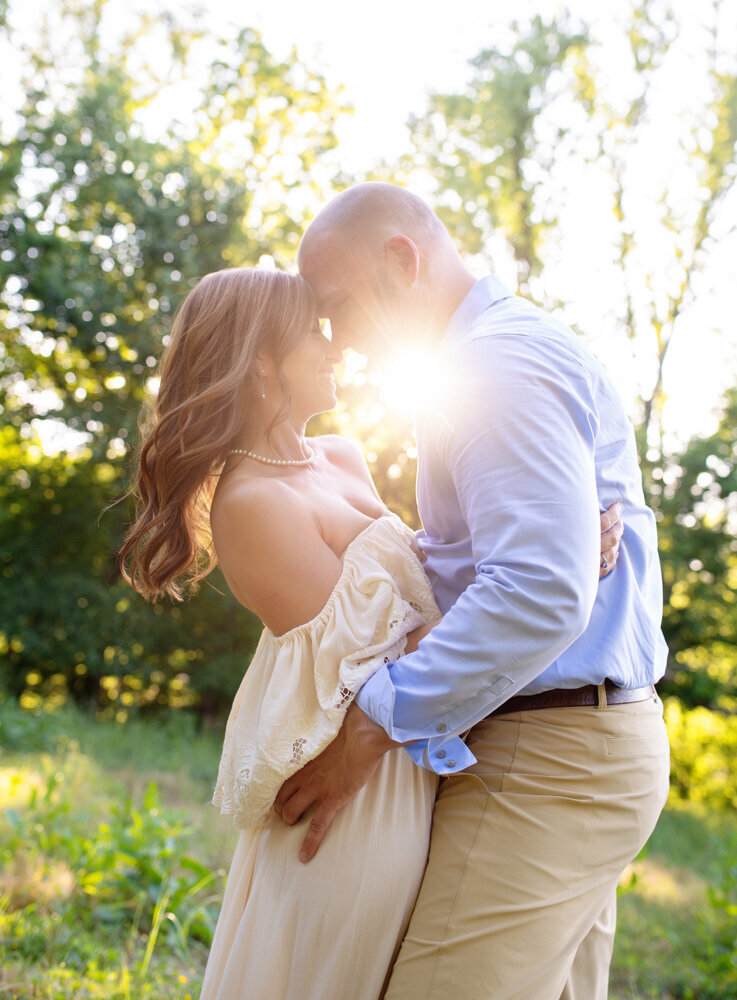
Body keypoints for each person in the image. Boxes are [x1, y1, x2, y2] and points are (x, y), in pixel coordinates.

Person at [118, 263, 622, 1000]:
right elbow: (371, 655)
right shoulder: (250, 505)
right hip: (354, 781)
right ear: (259, 361)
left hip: (411, 744)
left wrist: (555, 546)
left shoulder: (341, 454)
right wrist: (553, 560)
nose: (336, 349)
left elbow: (424, 581)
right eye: (312, 335)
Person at [276, 182, 671, 1000]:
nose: (338, 342)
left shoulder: (493, 366)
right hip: (574, 744)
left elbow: (534, 591)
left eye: (338, 306)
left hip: (549, 762)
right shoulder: (492, 356)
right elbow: (519, 566)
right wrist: (552, 559)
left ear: (401, 260)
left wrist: (373, 723)